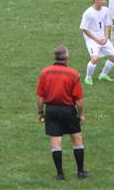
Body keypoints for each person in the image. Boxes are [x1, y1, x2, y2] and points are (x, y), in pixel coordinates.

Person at [36, 46, 89, 181]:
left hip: (51, 110)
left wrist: (41, 112)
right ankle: (80, 172)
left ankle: (60, 174)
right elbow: (79, 99)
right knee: (77, 139)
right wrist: (81, 114)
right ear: (66, 58)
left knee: (56, 142)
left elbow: (40, 96)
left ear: (54, 57)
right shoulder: (73, 74)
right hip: (68, 110)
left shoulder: (45, 72)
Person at [80, 0, 114, 85]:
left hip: (103, 37)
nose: (104, 1)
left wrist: (106, 37)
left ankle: (103, 75)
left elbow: (107, 25)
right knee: (95, 58)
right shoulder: (88, 13)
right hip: (92, 39)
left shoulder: (106, 10)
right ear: (95, 0)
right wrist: (96, 39)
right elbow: (84, 29)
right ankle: (88, 78)